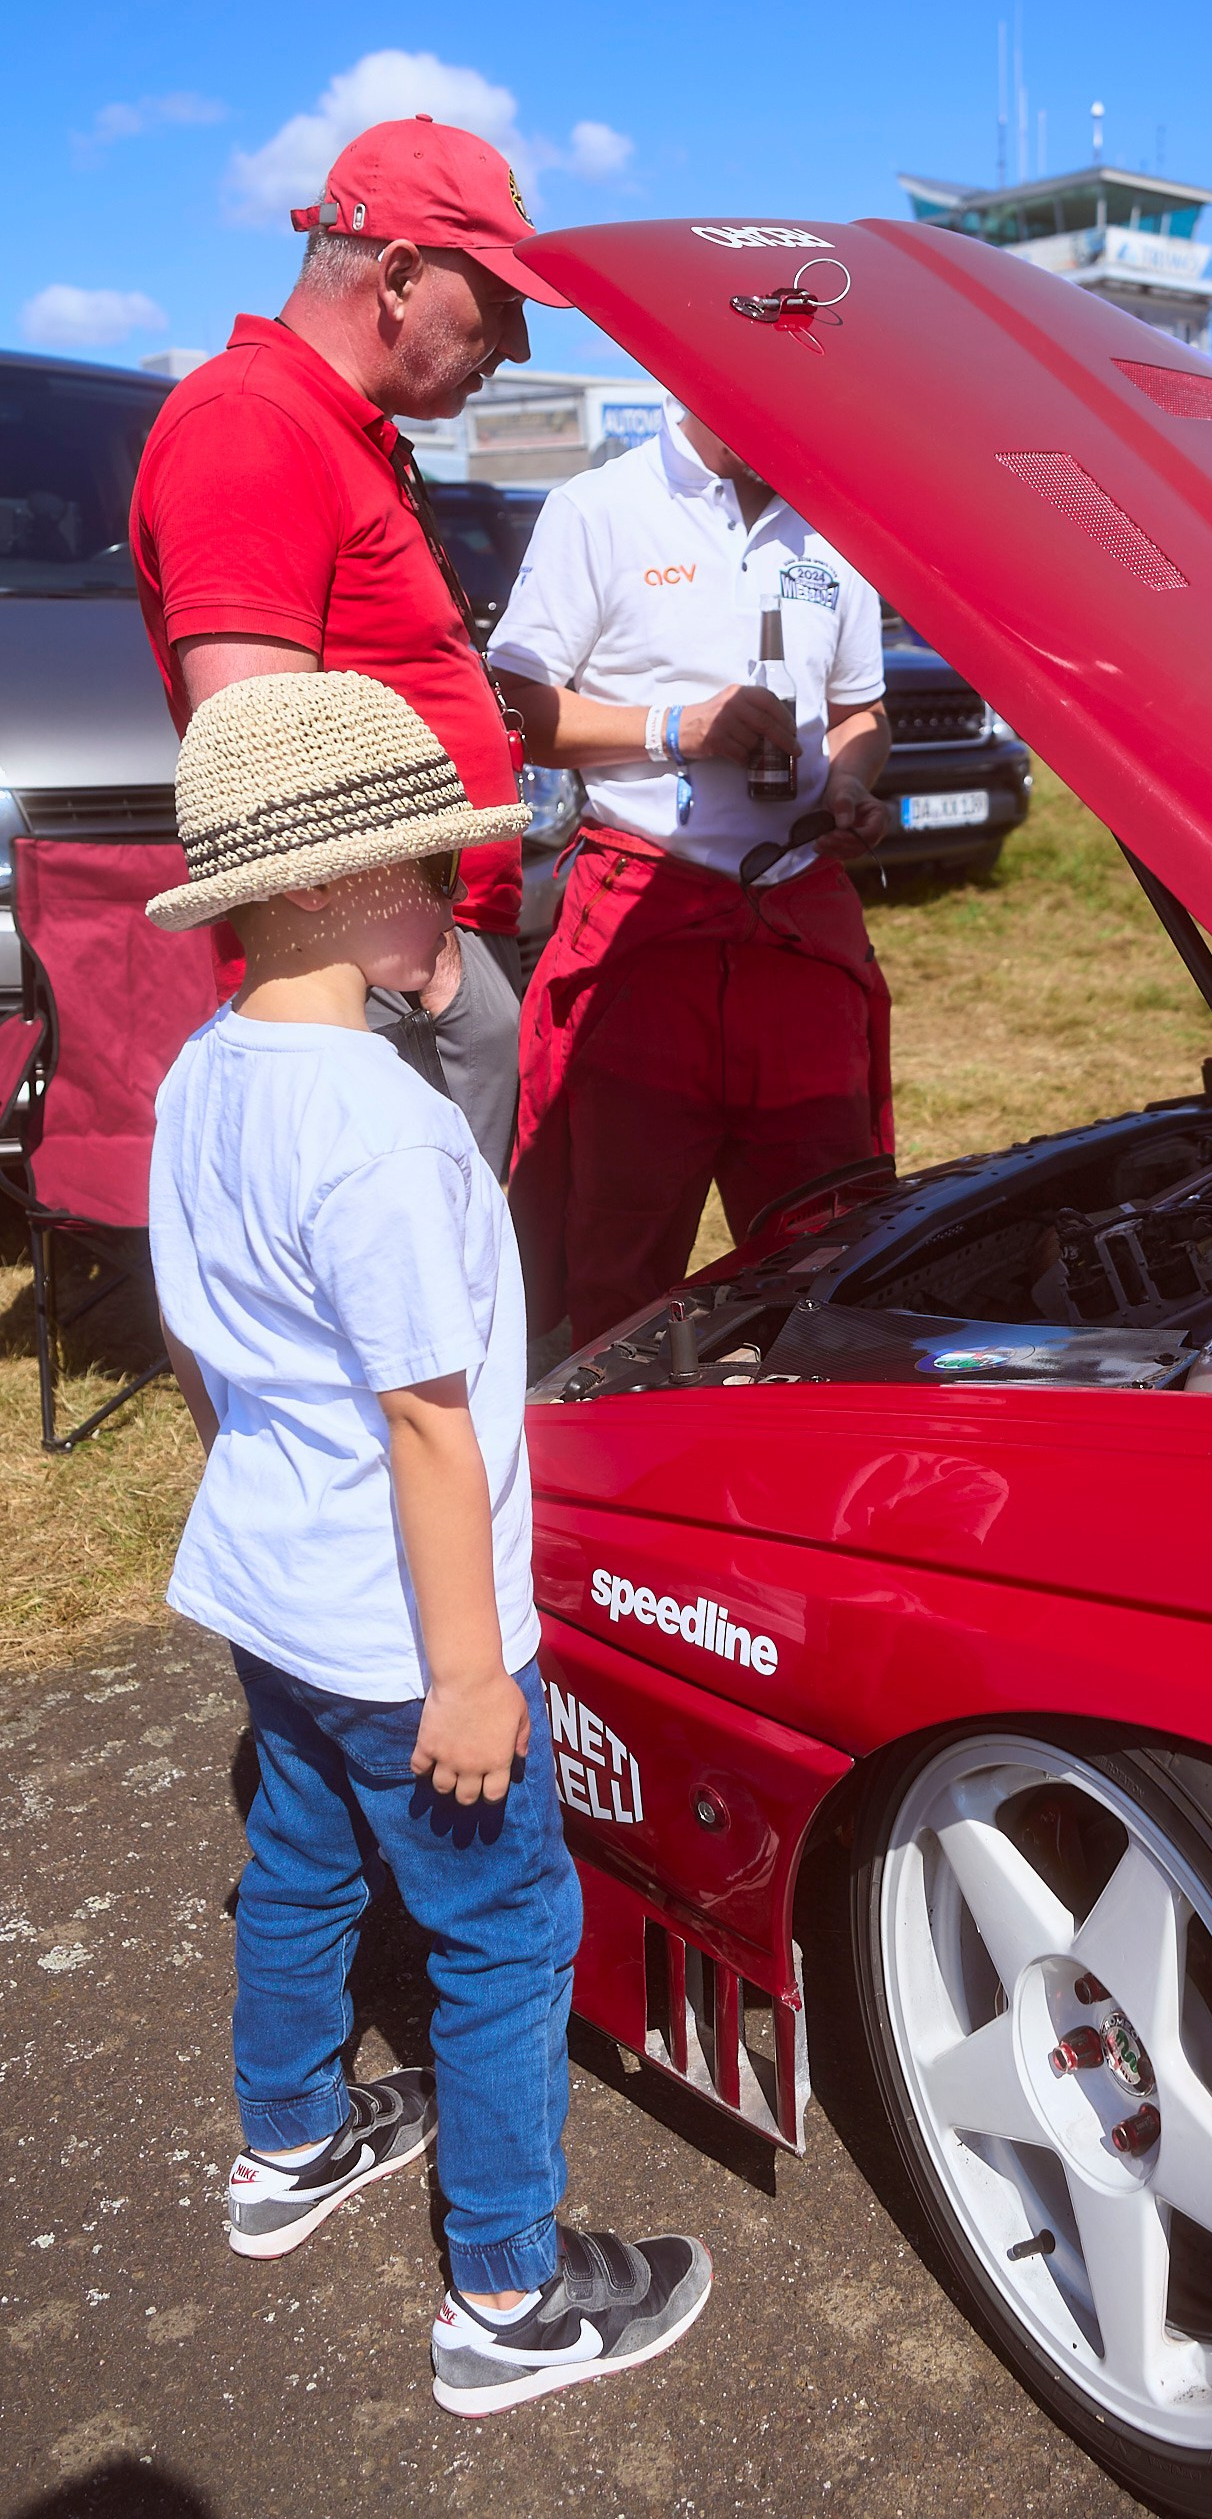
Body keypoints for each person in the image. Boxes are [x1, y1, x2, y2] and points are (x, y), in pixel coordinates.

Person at [146, 667, 711, 2416]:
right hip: (407, 1638)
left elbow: (195, 1344)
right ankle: (507, 2300)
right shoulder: (381, 1133)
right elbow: (428, 1420)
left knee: (305, 1857)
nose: (452, 894)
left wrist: (257, 1486)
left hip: (273, 1588)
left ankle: (294, 2144)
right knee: (506, 1931)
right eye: (420, 868)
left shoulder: (202, 1073)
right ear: (326, 889)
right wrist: (471, 1679)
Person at [131, 114, 563, 1177]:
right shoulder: (253, 424)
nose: (516, 347)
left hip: (403, 958)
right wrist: (435, 972)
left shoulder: (330, 428)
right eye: (500, 303)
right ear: (402, 274)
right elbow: (265, 759)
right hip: (381, 971)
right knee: (410, 1315)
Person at [489, 404, 893, 1345]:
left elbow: (862, 712)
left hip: (796, 924)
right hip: (643, 923)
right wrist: (677, 728)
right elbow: (515, 707)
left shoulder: (838, 520)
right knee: (615, 1259)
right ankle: (607, 1460)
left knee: (830, 1246)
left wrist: (849, 787)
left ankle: (804, 1454)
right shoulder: (601, 507)